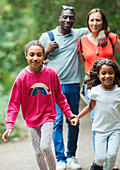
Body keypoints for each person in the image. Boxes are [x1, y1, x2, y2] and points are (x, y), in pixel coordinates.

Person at [39, 5, 106, 170]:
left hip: (73, 85)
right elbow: (34, 59)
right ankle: (60, 159)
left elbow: (98, 26)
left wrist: (104, 33)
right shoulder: (47, 36)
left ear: (74, 20)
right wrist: (46, 52)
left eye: (71, 18)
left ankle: (72, 156)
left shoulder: (78, 33)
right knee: (56, 122)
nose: (68, 20)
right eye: (65, 17)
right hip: (53, 87)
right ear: (59, 18)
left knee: (73, 121)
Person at [2, 40, 76, 170]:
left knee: (45, 147)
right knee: (38, 152)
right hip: (31, 119)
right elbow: (14, 102)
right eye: (31, 55)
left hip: (47, 116)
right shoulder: (22, 77)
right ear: (26, 55)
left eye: (39, 55)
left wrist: (69, 114)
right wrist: (9, 124)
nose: (35, 58)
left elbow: (59, 96)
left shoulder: (51, 74)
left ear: (43, 56)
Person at [78, 8, 120, 153]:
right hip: (92, 85)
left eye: (98, 20)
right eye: (92, 20)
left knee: (113, 118)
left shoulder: (111, 37)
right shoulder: (82, 40)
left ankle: (110, 155)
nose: (94, 23)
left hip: (111, 84)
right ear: (87, 22)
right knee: (97, 120)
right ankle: (100, 160)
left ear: (103, 22)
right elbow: (79, 62)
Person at [71, 58, 120, 170]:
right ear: (98, 75)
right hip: (99, 129)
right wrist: (78, 117)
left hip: (115, 129)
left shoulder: (118, 91)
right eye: (103, 73)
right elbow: (90, 107)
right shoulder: (95, 91)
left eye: (110, 73)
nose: (107, 76)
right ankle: (95, 166)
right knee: (100, 158)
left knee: (112, 156)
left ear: (115, 74)